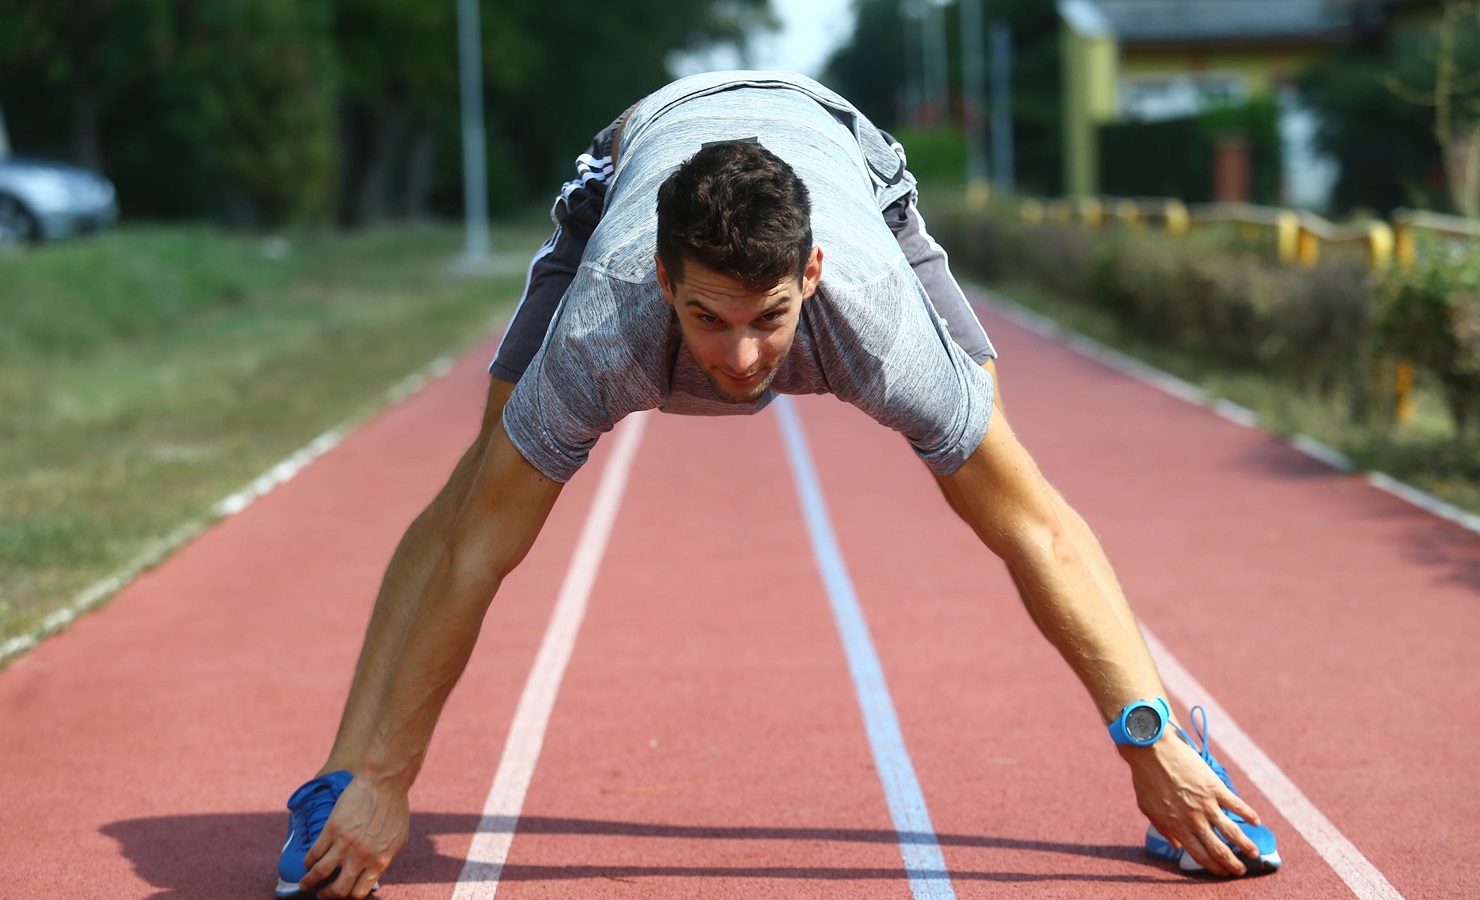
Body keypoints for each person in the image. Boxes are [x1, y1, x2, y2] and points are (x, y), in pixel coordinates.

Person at [274, 71, 1280, 900]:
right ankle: (343, 779)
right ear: (666, 284)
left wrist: (1139, 741)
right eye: (709, 319)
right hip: (643, 144)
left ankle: (1174, 755)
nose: (743, 358)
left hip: (846, 151)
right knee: (475, 491)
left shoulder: (873, 326)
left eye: (769, 317)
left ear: (812, 275)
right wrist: (393, 783)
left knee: (996, 455)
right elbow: (478, 553)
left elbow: (1039, 534)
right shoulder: (604, 332)